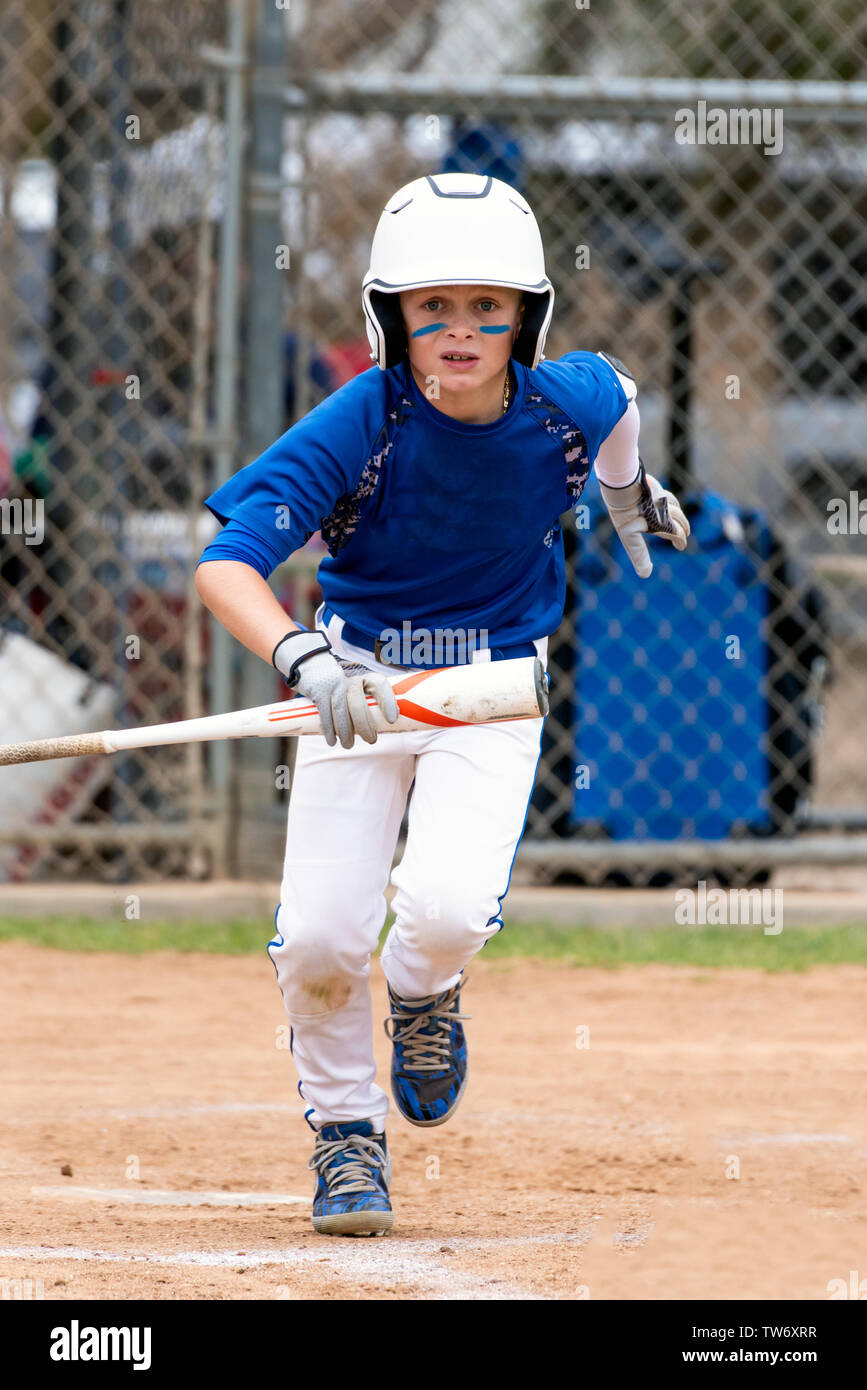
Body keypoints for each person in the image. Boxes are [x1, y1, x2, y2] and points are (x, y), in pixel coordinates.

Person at [194, 172, 689, 1237]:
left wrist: (623, 492)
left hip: (492, 685)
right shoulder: (360, 419)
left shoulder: (570, 399)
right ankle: (346, 1136)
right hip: (360, 685)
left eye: (487, 308)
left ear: (526, 318)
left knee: (447, 910)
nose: (460, 332)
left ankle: (421, 992)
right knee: (323, 939)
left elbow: (625, 405)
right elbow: (226, 563)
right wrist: (305, 660)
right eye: (432, 309)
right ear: (393, 319)